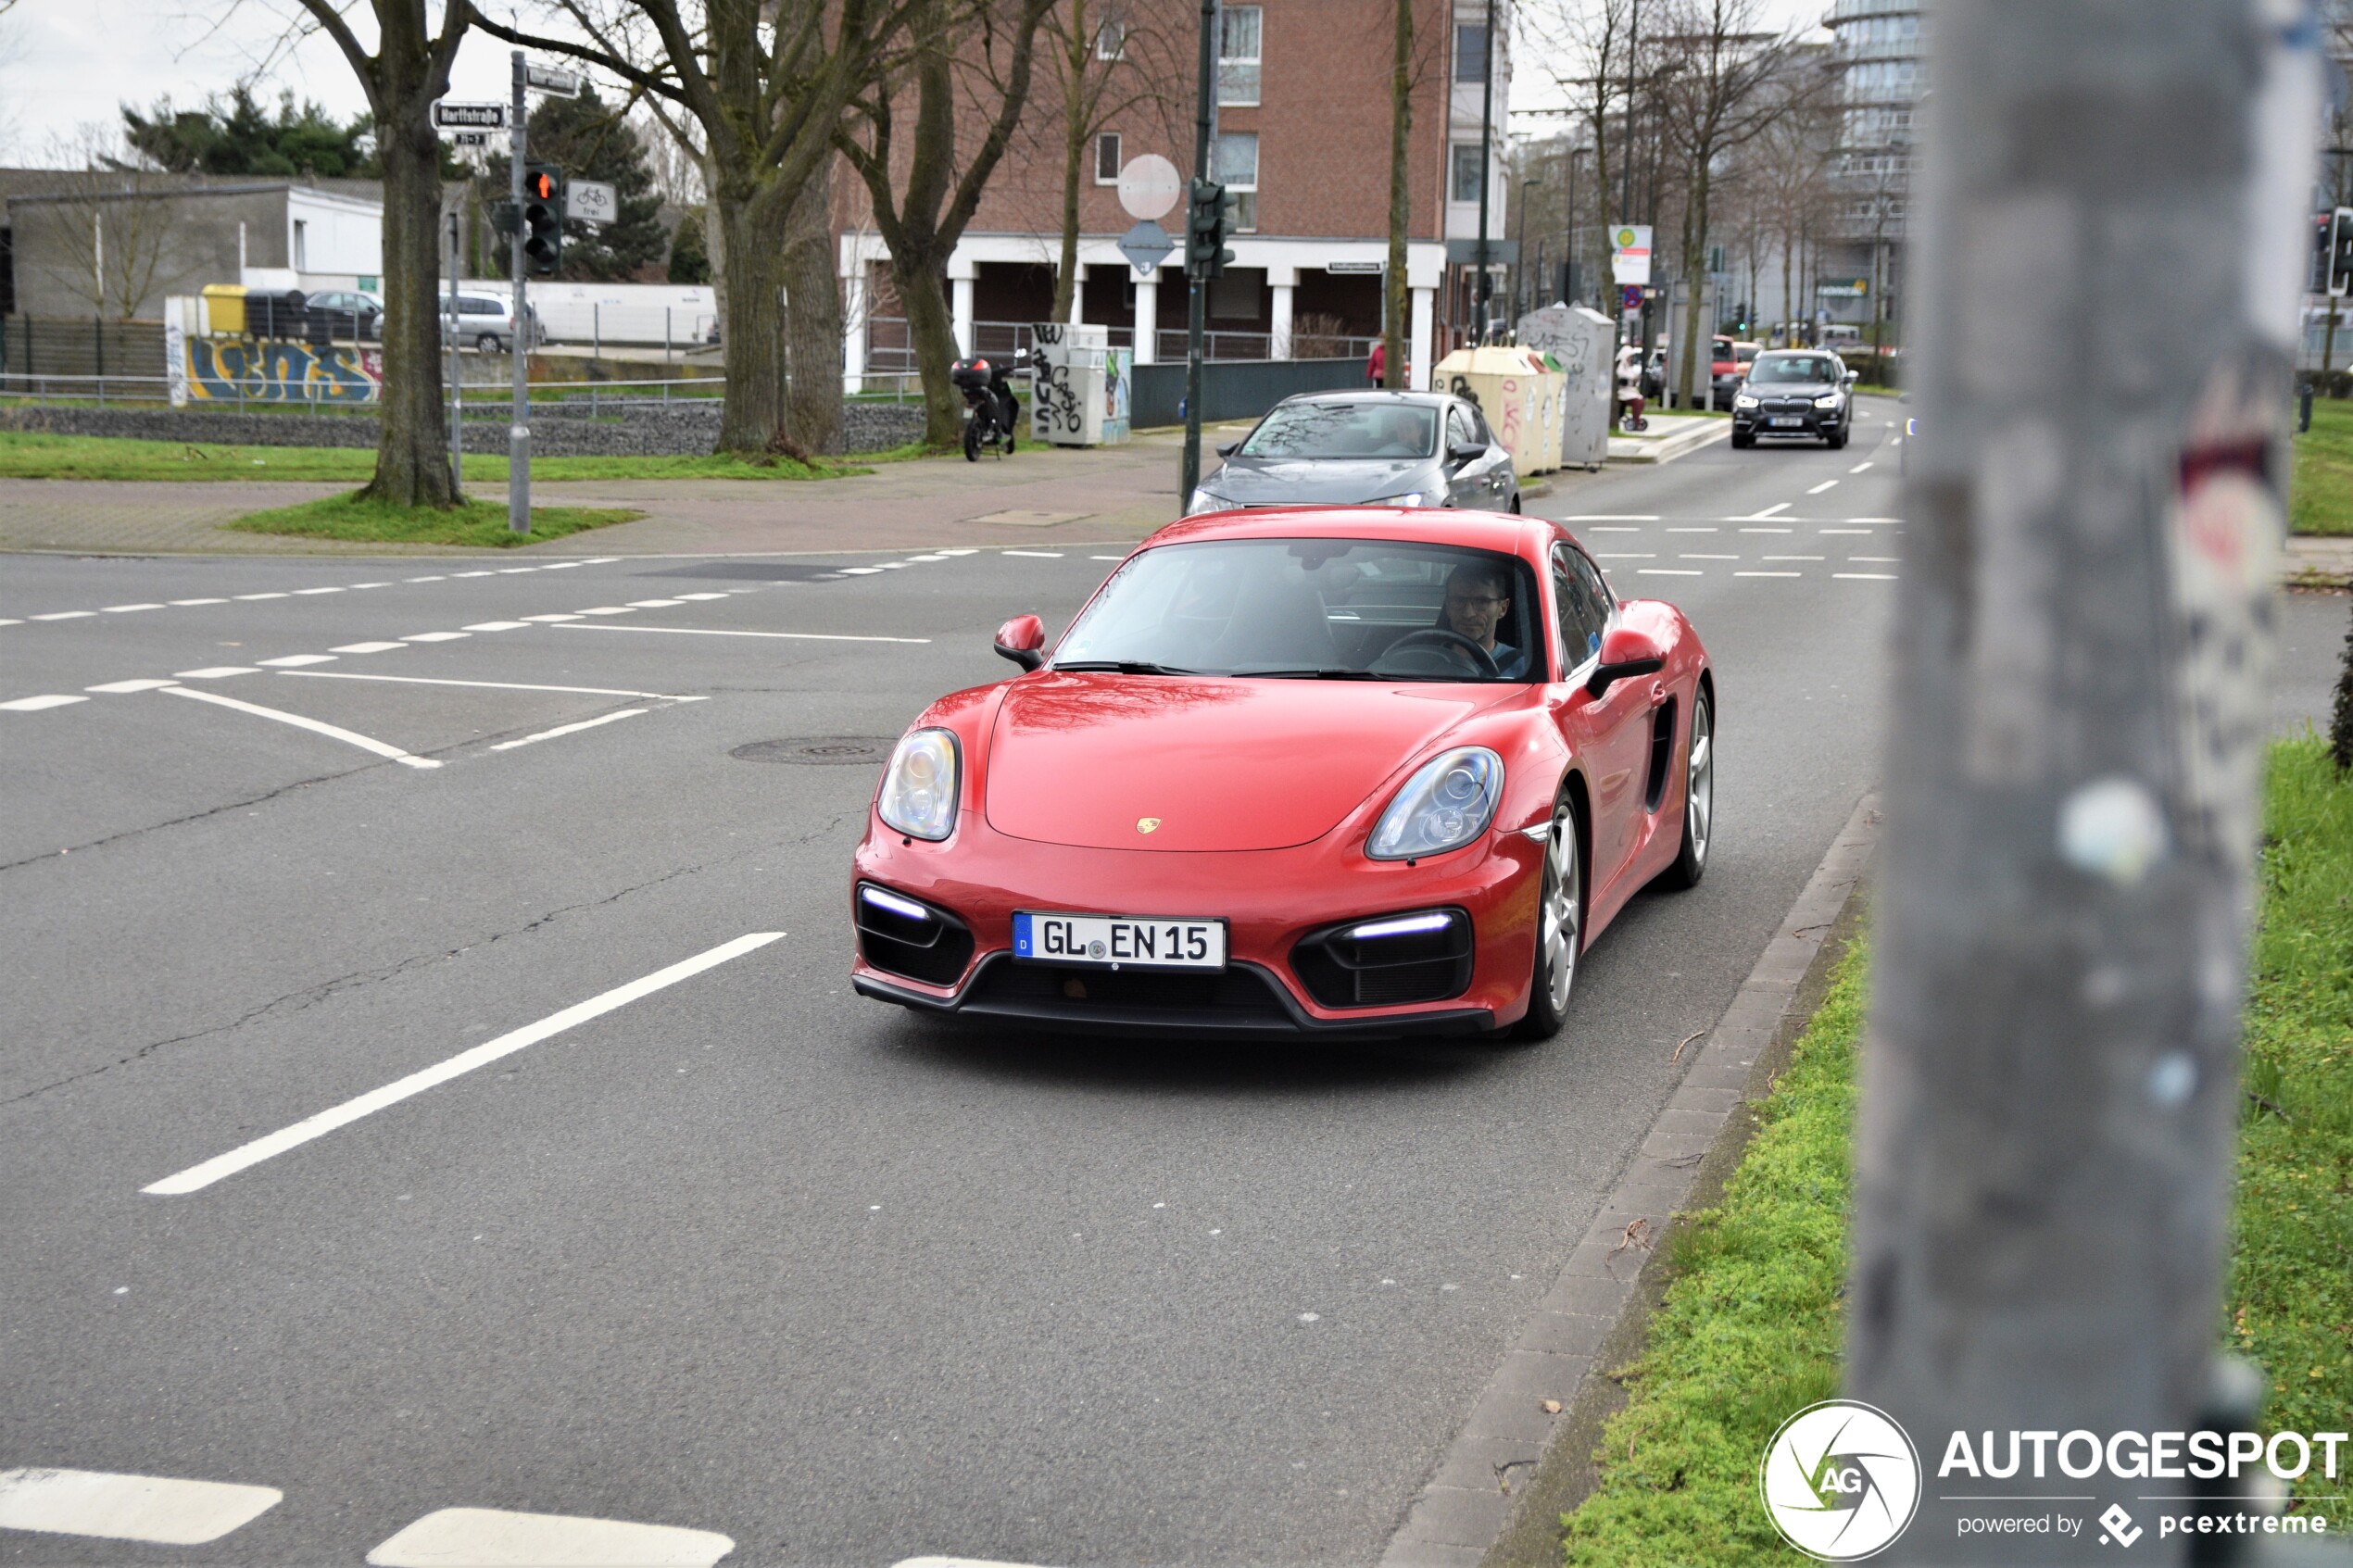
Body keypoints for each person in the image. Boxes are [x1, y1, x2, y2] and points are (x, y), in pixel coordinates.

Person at [1439, 560, 1529, 677]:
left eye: (1481, 602)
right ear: (1448, 605)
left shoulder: (1523, 668)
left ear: (1503, 608)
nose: (1468, 614)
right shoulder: (1428, 659)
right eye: (1459, 600)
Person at [1615, 342, 1646, 431]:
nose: (1631, 359)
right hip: (1623, 391)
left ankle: (1636, 419)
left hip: (1629, 390)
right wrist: (1633, 378)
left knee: (1640, 401)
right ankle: (1636, 420)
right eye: (1630, 357)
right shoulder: (1620, 366)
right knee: (1638, 402)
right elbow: (1622, 376)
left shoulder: (1627, 366)